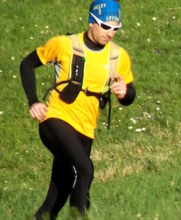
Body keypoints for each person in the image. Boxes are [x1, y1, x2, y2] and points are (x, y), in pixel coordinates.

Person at [19, 0, 136, 219]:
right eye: (105, 26)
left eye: (116, 28)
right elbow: (27, 63)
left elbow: (130, 95)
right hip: (55, 118)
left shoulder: (119, 56)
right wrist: (33, 101)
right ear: (92, 21)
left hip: (86, 130)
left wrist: (124, 93)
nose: (111, 33)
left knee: (60, 190)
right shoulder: (65, 44)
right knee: (85, 169)